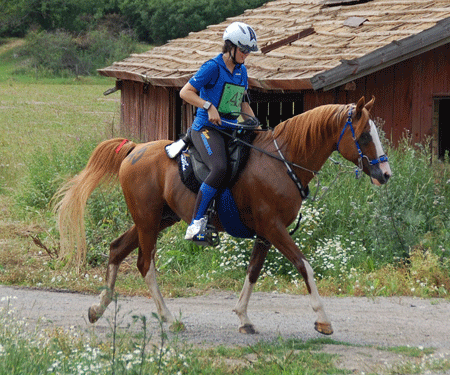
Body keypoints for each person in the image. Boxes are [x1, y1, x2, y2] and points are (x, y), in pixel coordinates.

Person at [180, 21, 258, 241]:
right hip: (206, 128)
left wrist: (256, 125)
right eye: (243, 50)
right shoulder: (212, 67)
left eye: (249, 51)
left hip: (230, 129)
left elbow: (242, 104)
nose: (246, 55)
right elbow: (185, 92)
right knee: (220, 167)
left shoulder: (242, 71)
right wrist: (208, 106)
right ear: (230, 46)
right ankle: (196, 223)